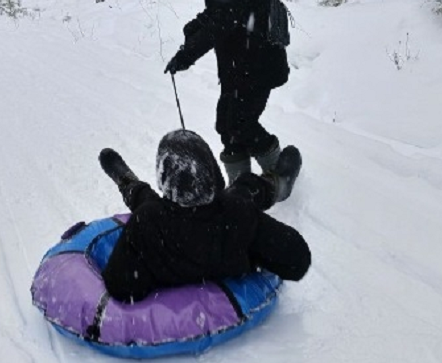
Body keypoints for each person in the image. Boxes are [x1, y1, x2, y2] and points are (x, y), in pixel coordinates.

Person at [97, 129, 309, 303]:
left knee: (146, 202)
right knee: (245, 188)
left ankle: (128, 183)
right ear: (213, 173)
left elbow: (122, 287)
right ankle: (277, 182)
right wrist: (254, 248)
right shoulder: (237, 213)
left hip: (165, 220)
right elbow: (297, 262)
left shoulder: (148, 222)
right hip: (222, 215)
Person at [165, 0, 290, 185]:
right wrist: (194, 26)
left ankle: (278, 173)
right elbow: (220, 11)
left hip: (257, 61)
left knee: (241, 125)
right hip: (237, 62)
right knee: (227, 126)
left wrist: (187, 54)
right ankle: (241, 188)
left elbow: (224, 21)